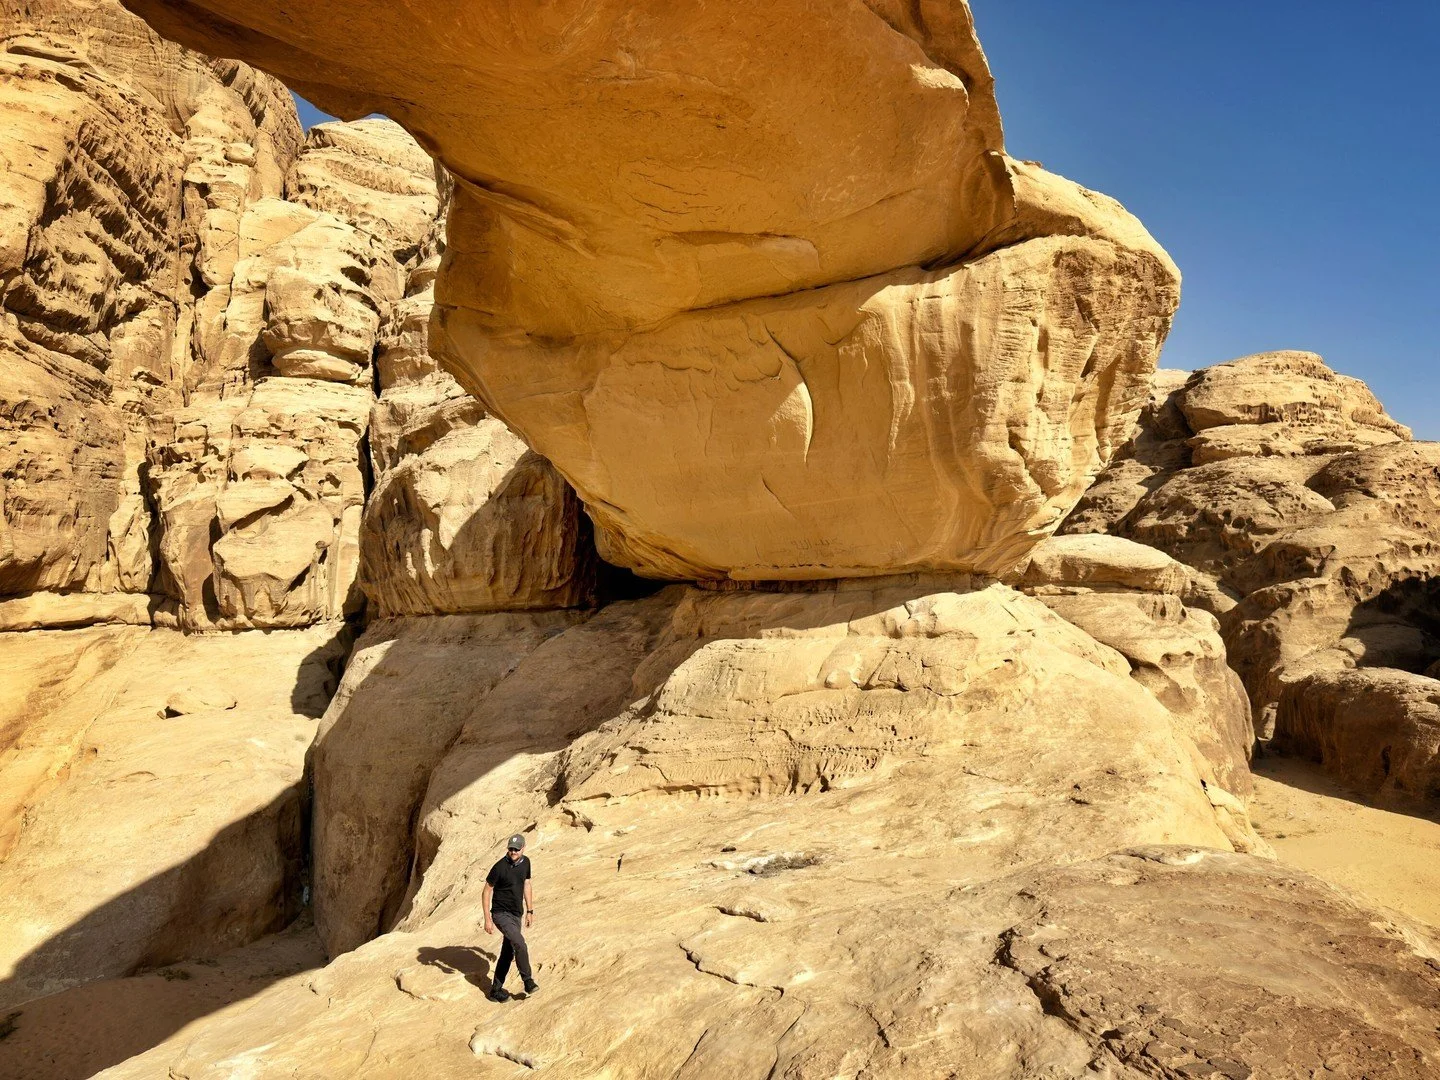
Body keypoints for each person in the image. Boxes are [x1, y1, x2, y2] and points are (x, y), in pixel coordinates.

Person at [483, 833, 537, 1002]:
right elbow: (486, 891)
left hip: (516, 914)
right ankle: (528, 981)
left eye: (517, 849)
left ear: (523, 848)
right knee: (520, 943)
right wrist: (487, 919)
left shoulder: (526, 862)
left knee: (508, 951)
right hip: (501, 914)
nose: (513, 852)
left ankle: (495, 991)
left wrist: (530, 910)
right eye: (511, 849)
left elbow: (527, 884)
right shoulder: (499, 867)